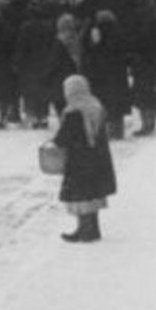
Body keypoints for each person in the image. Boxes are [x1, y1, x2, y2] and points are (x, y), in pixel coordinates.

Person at [52, 74, 117, 242]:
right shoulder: (96, 105)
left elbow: (65, 137)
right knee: (94, 196)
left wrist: (56, 141)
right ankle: (93, 229)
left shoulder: (74, 111)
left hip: (80, 161)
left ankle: (84, 230)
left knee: (82, 196)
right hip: (98, 159)